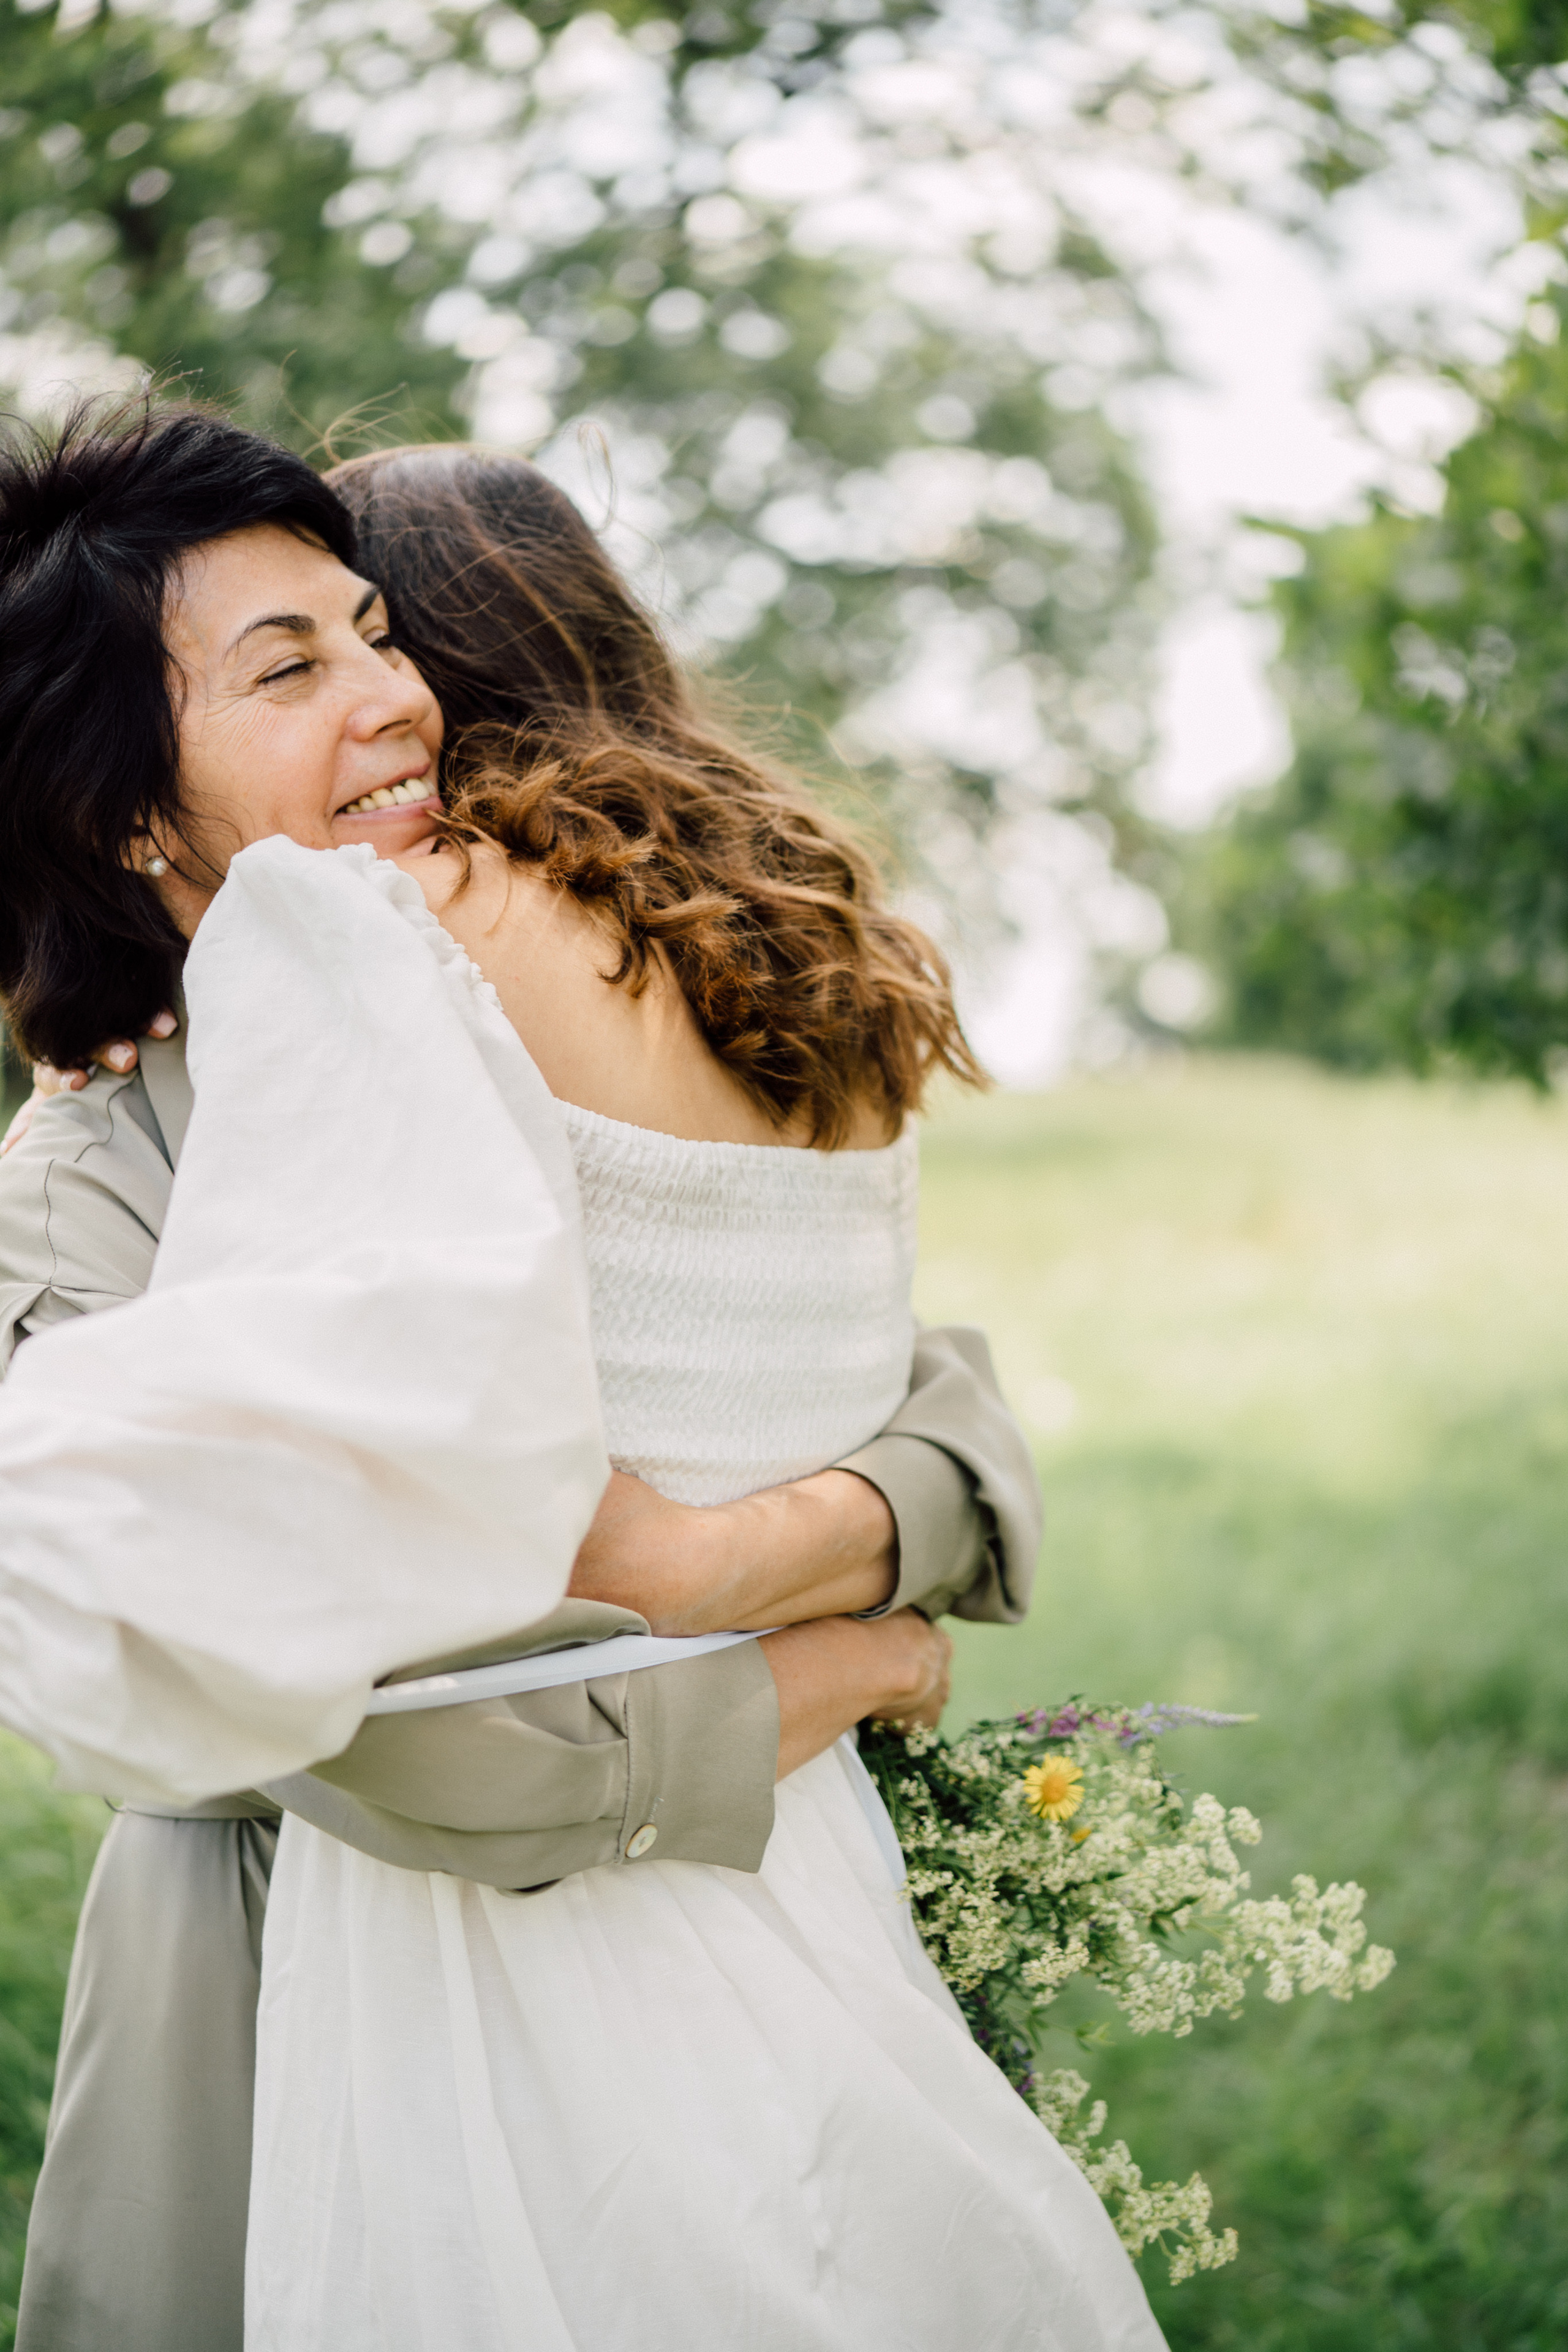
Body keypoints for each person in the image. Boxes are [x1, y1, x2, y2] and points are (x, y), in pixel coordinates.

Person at [0, 403, 1045, 2351]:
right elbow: (345, 1724)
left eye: (383, 639)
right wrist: (845, 1657)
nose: (402, 706)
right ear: (131, 812)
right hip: (280, 1970)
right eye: (293, 665)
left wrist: (755, 1549)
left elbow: (912, 1395)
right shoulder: (98, 1162)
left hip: (700, 1914)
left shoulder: (473, 991)